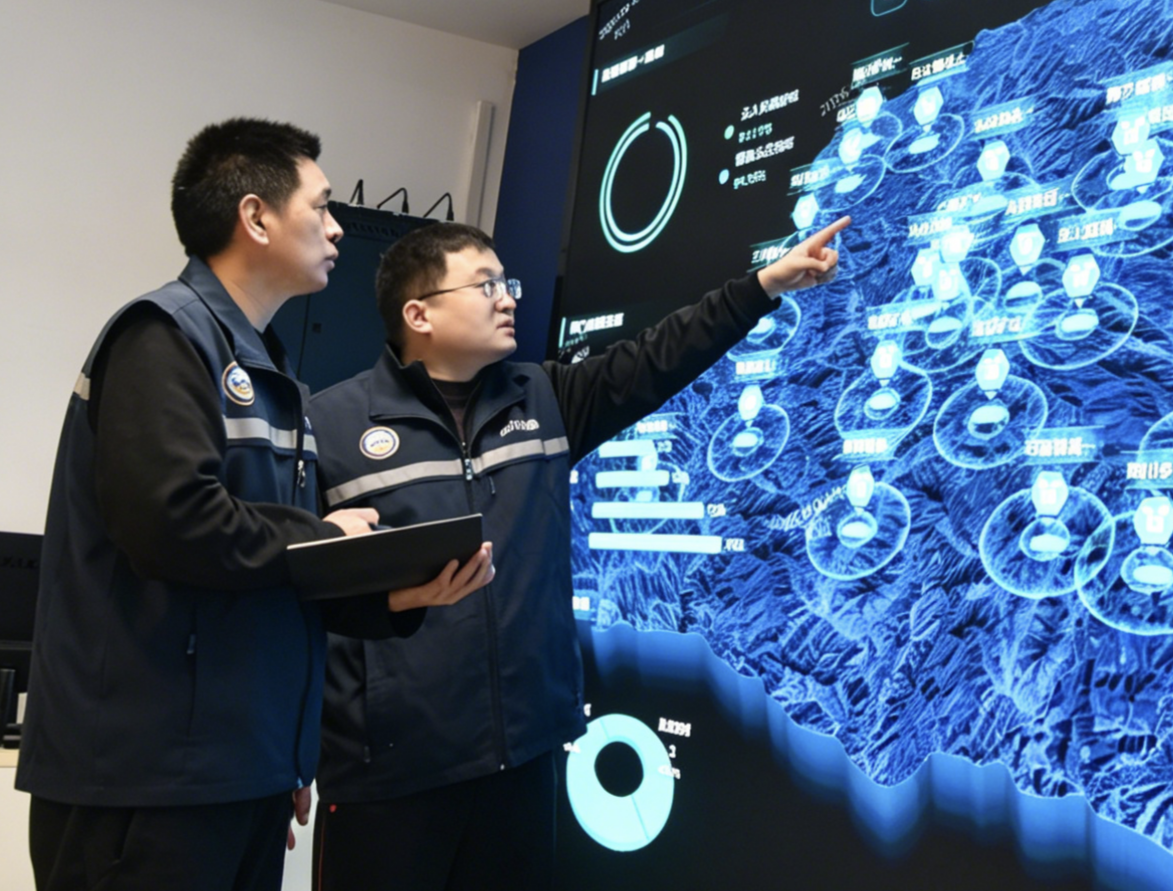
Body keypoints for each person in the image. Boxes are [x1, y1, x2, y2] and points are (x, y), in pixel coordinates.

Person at [306, 211, 850, 890]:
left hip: (521, 760)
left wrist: (763, 285)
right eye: (485, 285)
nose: (508, 299)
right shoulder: (329, 426)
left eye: (508, 283)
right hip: (389, 773)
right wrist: (291, 753)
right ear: (418, 314)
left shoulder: (544, 398)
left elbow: (660, 354)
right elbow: (296, 599)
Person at [19, 118, 494, 891]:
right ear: (256, 216)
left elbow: (266, 577)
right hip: (146, 779)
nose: (338, 228)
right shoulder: (163, 336)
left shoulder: (272, 373)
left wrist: (389, 598)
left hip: (239, 770)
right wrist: (323, 535)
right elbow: (172, 521)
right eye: (322, 206)